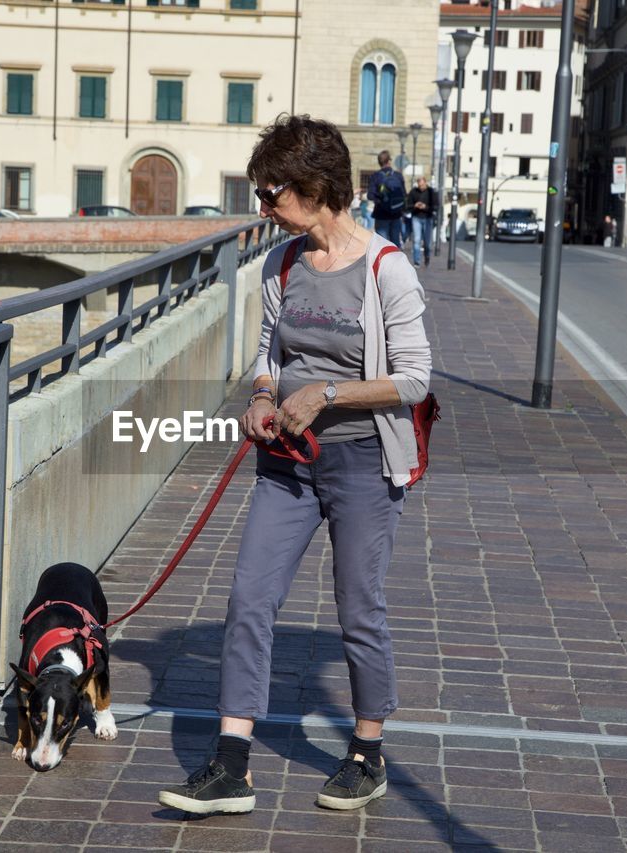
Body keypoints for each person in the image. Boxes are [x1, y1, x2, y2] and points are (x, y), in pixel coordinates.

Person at [158, 114, 431, 817]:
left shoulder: (384, 269)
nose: (264, 209)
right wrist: (260, 397)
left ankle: (367, 752)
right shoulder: (284, 265)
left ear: (315, 187)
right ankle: (231, 765)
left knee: (358, 609)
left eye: (272, 193)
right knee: (249, 598)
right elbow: (268, 358)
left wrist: (328, 393)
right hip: (287, 462)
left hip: (362, 459)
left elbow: (415, 379)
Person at [367, 150, 406, 247]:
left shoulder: (375, 176)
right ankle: (397, 261)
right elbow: (404, 193)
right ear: (389, 161)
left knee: (382, 245)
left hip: (381, 214)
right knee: (395, 242)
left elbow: (370, 195)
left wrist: (380, 198)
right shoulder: (398, 175)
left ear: (379, 162)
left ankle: (384, 262)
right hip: (396, 213)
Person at [405, 175, 436, 267]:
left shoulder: (431, 192)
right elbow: (407, 205)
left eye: (422, 185)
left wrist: (425, 207)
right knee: (417, 240)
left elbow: (435, 206)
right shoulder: (413, 192)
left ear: (425, 183)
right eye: (419, 185)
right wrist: (415, 205)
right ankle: (417, 261)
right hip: (416, 218)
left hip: (427, 218)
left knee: (427, 242)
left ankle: (427, 257)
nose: (421, 187)